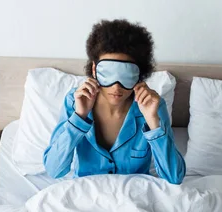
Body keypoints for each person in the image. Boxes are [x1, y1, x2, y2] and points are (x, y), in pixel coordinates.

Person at [43, 19, 185, 184]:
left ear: (140, 74)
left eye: (125, 74)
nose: (117, 86)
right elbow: (54, 170)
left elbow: (174, 177)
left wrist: (153, 123)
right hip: (86, 196)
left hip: (133, 199)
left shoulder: (152, 106)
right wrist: (79, 117)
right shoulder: (75, 101)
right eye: (109, 73)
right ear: (95, 70)